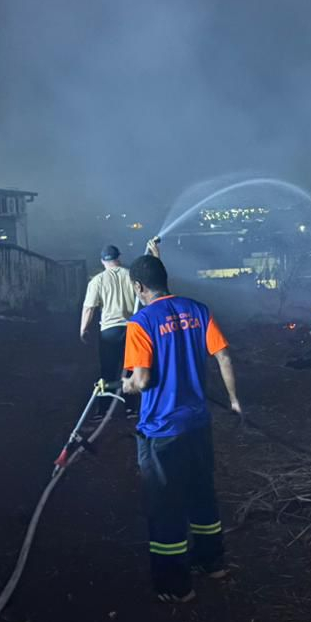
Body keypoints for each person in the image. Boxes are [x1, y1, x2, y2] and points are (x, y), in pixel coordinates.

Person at [121, 253, 241, 603]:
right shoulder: (198, 310)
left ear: (139, 286)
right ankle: (212, 563)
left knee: (165, 506)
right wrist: (234, 401)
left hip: (162, 430)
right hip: (198, 423)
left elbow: (141, 381)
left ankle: (176, 586)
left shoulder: (140, 323)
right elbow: (224, 356)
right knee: (202, 493)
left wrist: (124, 385)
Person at [80, 240, 160, 418]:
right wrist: (156, 256)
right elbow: (151, 286)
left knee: (107, 370)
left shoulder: (97, 281)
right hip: (132, 329)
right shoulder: (132, 276)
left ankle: (103, 410)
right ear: (119, 258)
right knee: (131, 369)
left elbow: (89, 308)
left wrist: (83, 329)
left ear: (102, 261)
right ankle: (130, 408)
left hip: (109, 331)